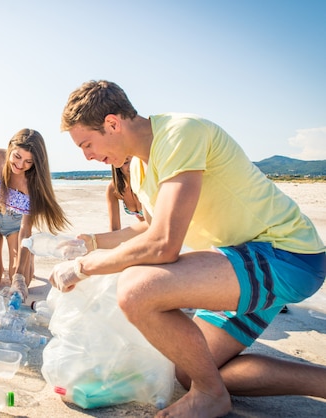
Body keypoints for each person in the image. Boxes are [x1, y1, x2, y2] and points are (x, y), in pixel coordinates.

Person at [50, 80, 326, 417]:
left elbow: (163, 244)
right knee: (193, 366)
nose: (88, 155)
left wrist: (84, 268)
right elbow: (148, 227)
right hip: (238, 260)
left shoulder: (180, 133)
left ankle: (210, 395)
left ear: (112, 123)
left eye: (87, 144)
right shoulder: (138, 166)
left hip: (285, 254)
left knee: (137, 289)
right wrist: (89, 244)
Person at [0, 129, 70, 302]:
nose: (20, 165)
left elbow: (25, 229)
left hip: (16, 226)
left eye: (28, 161)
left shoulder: (30, 186)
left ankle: (27, 261)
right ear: (10, 147)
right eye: (17, 156)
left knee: (21, 281)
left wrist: (19, 276)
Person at [106, 158, 144, 231]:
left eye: (134, 161)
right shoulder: (113, 189)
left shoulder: (147, 182)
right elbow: (114, 228)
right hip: (147, 232)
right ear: (117, 165)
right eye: (126, 162)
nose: (131, 165)